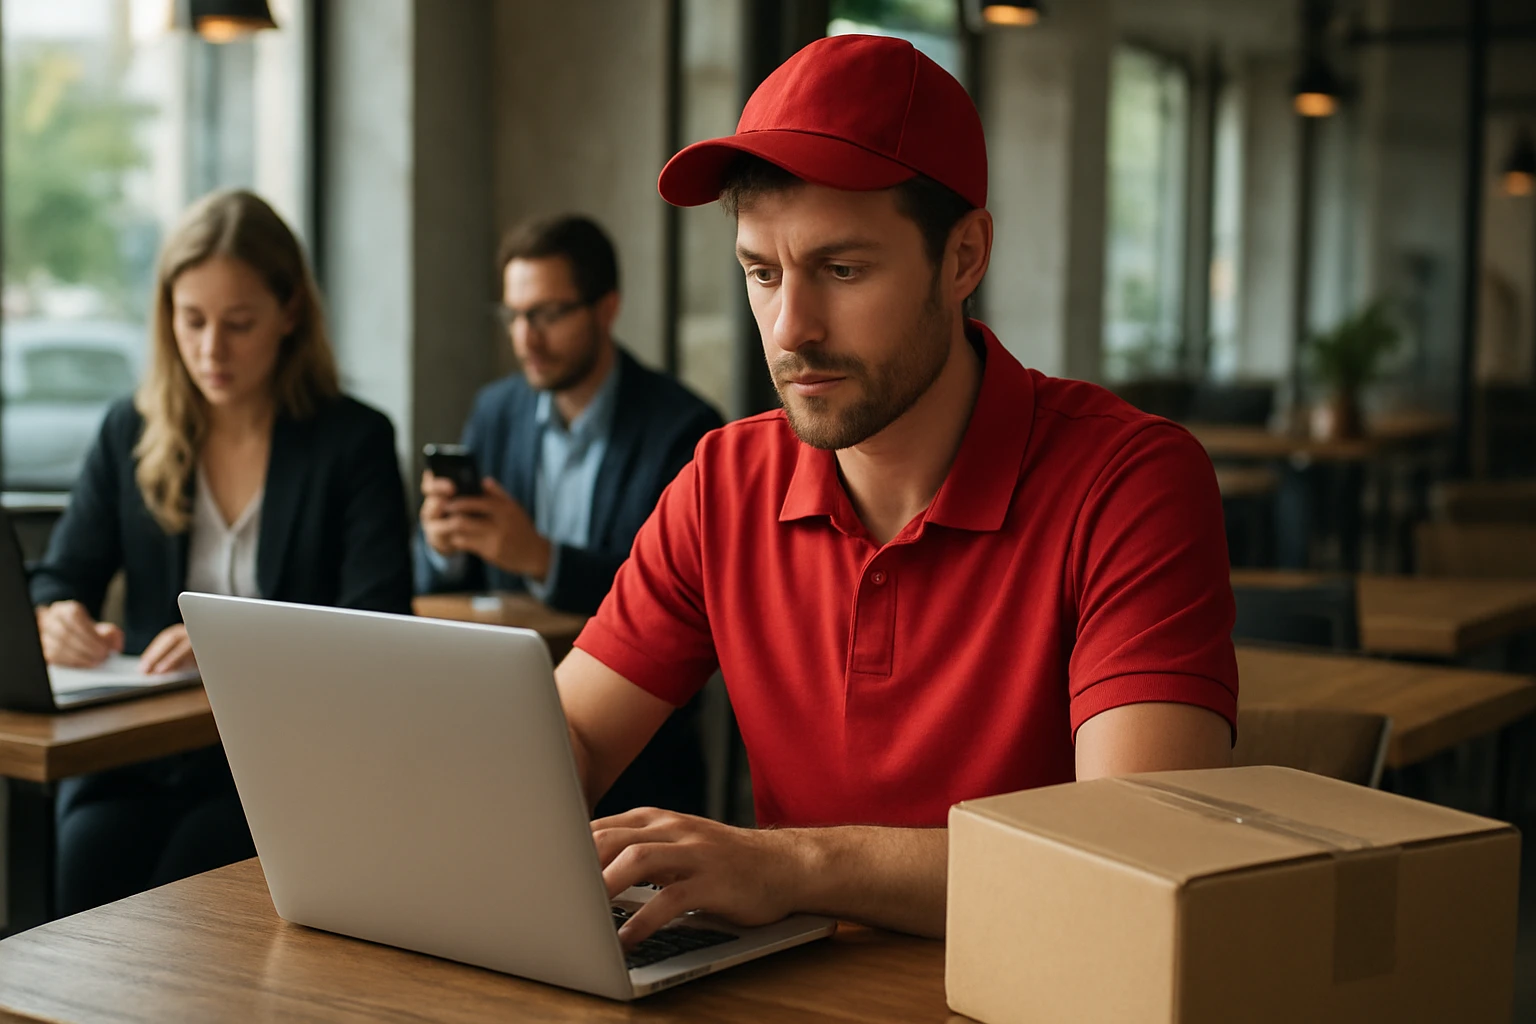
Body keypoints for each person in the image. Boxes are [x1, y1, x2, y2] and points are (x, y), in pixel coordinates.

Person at [554, 34, 1240, 947]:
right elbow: (576, 737)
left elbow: (1128, 858)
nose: (791, 328)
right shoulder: (725, 480)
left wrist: (794, 866)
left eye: (842, 270)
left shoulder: (1132, 482)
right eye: (762, 273)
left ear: (964, 258)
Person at [31, 189, 414, 914]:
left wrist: (234, 645)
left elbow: (381, 620)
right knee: (86, 855)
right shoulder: (130, 430)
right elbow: (60, 575)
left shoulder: (352, 440)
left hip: (284, 761)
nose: (212, 349)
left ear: (290, 313)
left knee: (189, 883)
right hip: (144, 753)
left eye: (238, 324)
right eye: (192, 321)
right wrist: (58, 615)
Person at [417, 214, 721, 817]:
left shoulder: (683, 429)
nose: (526, 337)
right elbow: (442, 585)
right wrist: (441, 547)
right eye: (514, 316)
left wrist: (540, 559)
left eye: (548, 314)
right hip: (498, 717)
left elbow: (675, 603)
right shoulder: (495, 410)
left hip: (639, 752)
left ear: (606, 309)